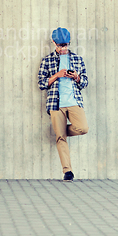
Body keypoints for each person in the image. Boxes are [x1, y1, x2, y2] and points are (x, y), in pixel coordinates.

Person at [38, 27, 89, 181]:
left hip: (74, 101)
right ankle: (68, 171)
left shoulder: (78, 59)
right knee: (60, 138)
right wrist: (57, 75)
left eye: (66, 45)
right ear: (54, 43)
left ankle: (60, 130)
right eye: (60, 45)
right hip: (55, 103)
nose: (63, 48)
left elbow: (85, 82)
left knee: (83, 128)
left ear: (69, 43)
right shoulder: (47, 60)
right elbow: (41, 83)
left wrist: (77, 77)